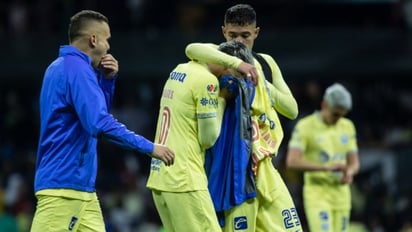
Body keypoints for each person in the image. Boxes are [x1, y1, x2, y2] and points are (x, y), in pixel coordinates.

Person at [30, 10, 175, 232]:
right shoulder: (78, 70)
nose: (108, 46)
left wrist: (107, 83)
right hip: (64, 189)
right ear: (93, 39)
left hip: (81, 190)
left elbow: (94, 117)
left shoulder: (60, 66)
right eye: (106, 39)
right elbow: (99, 124)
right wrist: (150, 147)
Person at [184, 4, 302, 232]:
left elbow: (292, 109)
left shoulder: (266, 62)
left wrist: (257, 78)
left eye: (245, 35)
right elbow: (191, 48)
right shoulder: (217, 59)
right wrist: (237, 65)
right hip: (235, 169)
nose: (239, 41)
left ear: (256, 33)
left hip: (266, 168)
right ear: (223, 32)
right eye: (232, 35)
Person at [146, 40, 256, 232]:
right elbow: (208, 138)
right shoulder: (208, 82)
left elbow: (193, 48)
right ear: (227, 63)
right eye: (236, 75)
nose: (233, 80)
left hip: (160, 178)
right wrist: (221, 100)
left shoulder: (180, 69)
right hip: (185, 180)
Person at [286, 82, 360, 232]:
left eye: (342, 115)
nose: (338, 119)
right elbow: (291, 161)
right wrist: (325, 168)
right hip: (317, 194)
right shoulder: (305, 126)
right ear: (324, 104)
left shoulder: (347, 126)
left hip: (341, 195)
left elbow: (354, 162)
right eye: (335, 114)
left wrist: (350, 172)